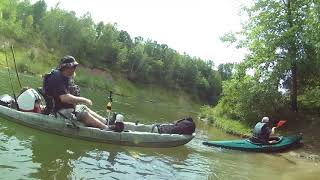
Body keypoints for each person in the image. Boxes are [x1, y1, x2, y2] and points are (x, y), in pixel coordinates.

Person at [43, 55, 108, 129]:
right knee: (83, 113)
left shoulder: (65, 77)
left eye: (75, 66)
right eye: (73, 67)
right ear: (66, 67)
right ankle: (106, 129)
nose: (75, 69)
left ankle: (106, 122)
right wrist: (84, 100)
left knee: (83, 107)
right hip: (57, 111)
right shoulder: (56, 77)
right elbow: (64, 98)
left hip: (65, 108)